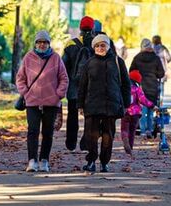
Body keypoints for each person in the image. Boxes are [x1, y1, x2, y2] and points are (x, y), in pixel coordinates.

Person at [16, 30, 68, 172]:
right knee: (32, 131)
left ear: (49, 44)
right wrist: (25, 93)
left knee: (47, 132)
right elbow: (20, 78)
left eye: (45, 42)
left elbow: (64, 78)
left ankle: (44, 160)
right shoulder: (28, 58)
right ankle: (32, 161)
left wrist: (58, 94)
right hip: (32, 102)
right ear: (35, 43)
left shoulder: (56, 58)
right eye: (39, 42)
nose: (42, 45)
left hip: (51, 102)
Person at [78, 33, 130, 173]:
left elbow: (126, 84)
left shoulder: (118, 62)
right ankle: (91, 161)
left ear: (108, 46)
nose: (100, 48)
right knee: (91, 135)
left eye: (103, 45)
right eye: (97, 46)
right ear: (93, 47)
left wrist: (126, 104)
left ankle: (104, 162)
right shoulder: (89, 63)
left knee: (108, 136)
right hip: (92, 105)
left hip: (111, 105)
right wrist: (80, 105)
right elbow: (82, 85)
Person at [62, 16, 95, 151]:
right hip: (91, 88)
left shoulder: (70, 44)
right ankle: (85, 142)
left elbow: (63, 66)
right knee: (89, 116)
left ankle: (71, 142)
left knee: (72, 115)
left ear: (80, 28)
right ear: (92, 28)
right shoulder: (97, 44)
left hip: (73, 87)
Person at [129, 39, 164, 137]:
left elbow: (131, 71)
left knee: (142, 109)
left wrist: (138, 76)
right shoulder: (156, 58)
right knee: (150, 109)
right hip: (152, 86)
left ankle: (142, 130)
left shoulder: (137, 57)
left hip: (140, 86)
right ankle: (149, 129)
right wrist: (155, 74)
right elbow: (161, 73)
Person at [120, 70, 154, 156]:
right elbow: (143, 100)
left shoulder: (123, 89)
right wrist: (152, 105)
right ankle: (130, 148)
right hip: (135, 114)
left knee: (124, 130)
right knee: (132, 132)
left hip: (125, 112)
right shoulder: (137, 89)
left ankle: (125, 139)